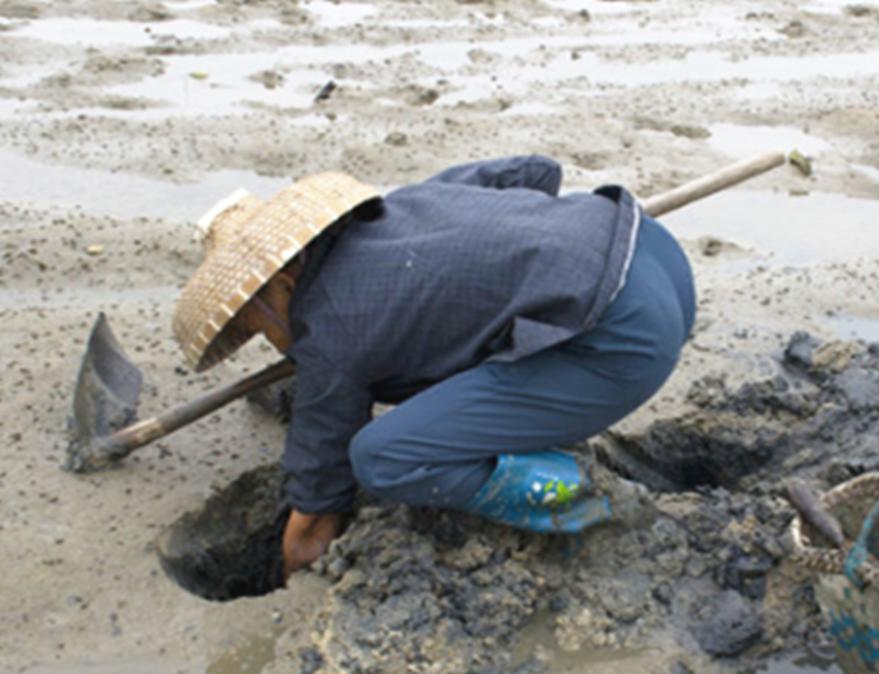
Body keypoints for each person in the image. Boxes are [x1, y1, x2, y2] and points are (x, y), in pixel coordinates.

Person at [173, 156, 695, 580]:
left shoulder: (331, 333)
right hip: (650, 250)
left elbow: (318, 493)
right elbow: (534, 172)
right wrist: (520, 248)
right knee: (453, 355)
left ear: (284, 282)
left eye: (256, 324)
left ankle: (582, 496)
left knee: (383, 457)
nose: (268, 341)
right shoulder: (409, 202)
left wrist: (292, 569)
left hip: (626, 342)